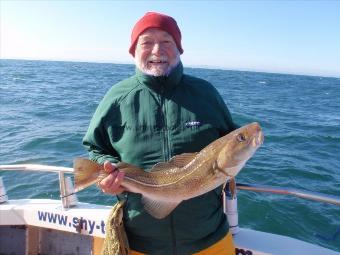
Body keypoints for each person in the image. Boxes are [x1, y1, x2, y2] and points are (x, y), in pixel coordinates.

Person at [83, 11, 238, 255]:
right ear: (134, 50)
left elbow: (231, 145)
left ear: (179, 49)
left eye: (167, 42)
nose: (157, 50)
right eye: (146, 42)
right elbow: (95, 148)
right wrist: (106, 171)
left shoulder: (206, 94)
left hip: (209, 239)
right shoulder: (116, 97)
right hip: (138, 242)